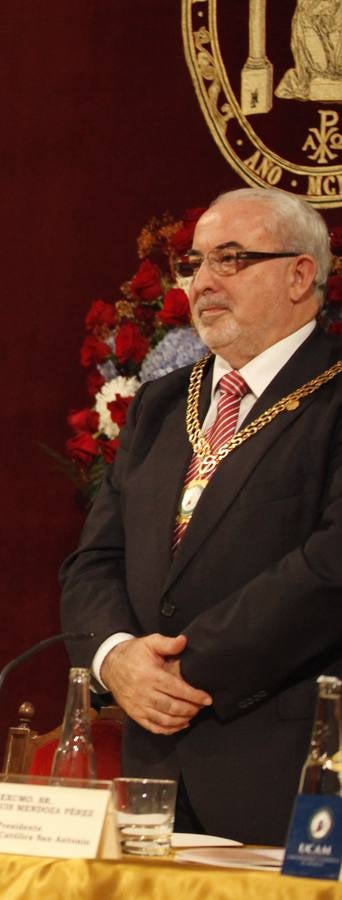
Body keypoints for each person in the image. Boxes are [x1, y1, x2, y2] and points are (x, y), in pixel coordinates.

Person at [60, 187, 342, 845]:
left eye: (232, 260)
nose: (204, 282)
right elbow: (94, 560)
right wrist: (117, 657)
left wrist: (190, 669)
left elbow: (331, 567)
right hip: (152, 768)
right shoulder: (161, 404)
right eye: (195, 263)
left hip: (286, 763)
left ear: (301, 274)